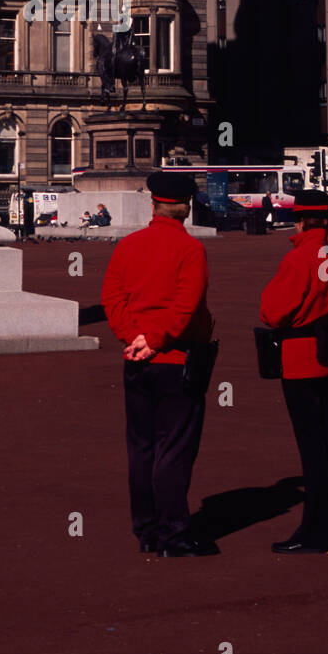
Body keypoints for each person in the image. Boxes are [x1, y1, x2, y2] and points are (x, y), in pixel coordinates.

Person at [101, 171, 217, 558]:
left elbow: (112, 298)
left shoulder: (128, 245)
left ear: (153, 204)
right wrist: (154, 342)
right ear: (185, 209)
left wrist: (132, 339)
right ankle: (173, 533)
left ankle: (146, 530)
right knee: (175, 449)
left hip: (135, 358)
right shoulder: (190, 249)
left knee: (141, 448)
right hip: (176, 357)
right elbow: (186, 305)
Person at [259, 190, 328, 554]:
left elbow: (272, 312)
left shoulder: (299, 257)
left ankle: (317, 530)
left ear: (299, 219)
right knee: (327, 443)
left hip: (300, 356)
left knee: (311, 448)